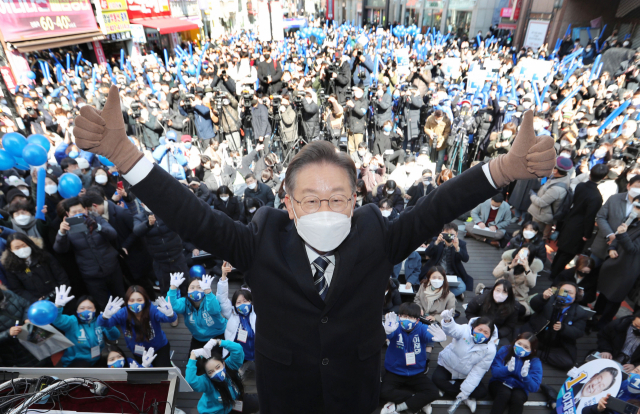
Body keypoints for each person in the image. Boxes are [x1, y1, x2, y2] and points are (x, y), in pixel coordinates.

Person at [73, 87, 555, 413]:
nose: (325, 208)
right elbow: (191, 215)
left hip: (358, 390)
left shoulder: (375, 233)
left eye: (337, 198)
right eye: (311, 199)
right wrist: (127, 158)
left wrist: (503, 169)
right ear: (288, 203)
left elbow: (436, 207)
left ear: (355, 200)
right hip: (287, 393)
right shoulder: (260, 236)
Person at [53, 196, 124, 310]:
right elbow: (60, 249)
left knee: (120, 298)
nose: (78, 214)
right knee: (102, 305)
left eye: (80, 211)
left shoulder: (96, 218)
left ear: (86, 209)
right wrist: (61, 233)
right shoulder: (66, 227)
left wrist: (97, 227)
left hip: (112, 267)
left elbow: (113, 234)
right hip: (91, 274)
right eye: (74, 212)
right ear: (68, 213)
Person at [380, 303, 444, 414]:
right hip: (395, 370)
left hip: (416, 371)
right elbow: (389, 335)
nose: (407, 320)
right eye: (404, 316)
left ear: (418, 320)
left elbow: (429, 335)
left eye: (411, 317)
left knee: (433, 392)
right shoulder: (394, 326)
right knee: (383, 392)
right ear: (399, 316)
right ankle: (419, 400)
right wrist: (387, 332)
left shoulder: (423, 328)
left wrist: (438, 337)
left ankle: (398, 407)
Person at [433, 311, 498, 413]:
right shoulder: (464, 330)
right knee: (436, 378)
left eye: (486, 332)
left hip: (465, 374)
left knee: (481, 392)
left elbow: (478, 371)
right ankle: (465, 397)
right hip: (447, 366)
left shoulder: (490, 349)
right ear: (474, 327)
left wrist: (465, 391)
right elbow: (452, 330)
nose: (481, 334)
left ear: (490, 335)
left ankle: (455, 391)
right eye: (479, 329)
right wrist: (448, 321)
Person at [97, 285, 176, 367]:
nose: (135, 303)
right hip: (138, 351)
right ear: (127, 301)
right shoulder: (123, 313)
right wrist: (105, 316)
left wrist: (170, 314)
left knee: (163, 370)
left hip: (159, 347)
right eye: (131, 300)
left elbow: (168, 318)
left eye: (139, 300)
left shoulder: (152, 310)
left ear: (145, 300)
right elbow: (103, 323)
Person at [552, 164, 607, 277]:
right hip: (579, 227)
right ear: (603, 178)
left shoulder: (581, 186)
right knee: (567, 253)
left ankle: (553, 269)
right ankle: (555, 275)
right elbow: (589, 217)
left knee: (561, 249)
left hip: (570, 219)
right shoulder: (596, 197)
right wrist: (587, 234)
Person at [594, 196, 640, 330]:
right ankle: (595, 316)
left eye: (637, 207)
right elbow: (617, 236)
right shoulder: (632, 220)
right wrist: (612, 248)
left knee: (614, 299)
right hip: (614, 263)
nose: (634, 209)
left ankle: (603, 325)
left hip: (626, 269)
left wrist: (622, 234)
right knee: (603, 293)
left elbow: (633, 249)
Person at [524, 282, 590, 369]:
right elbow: (533, 305)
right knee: (519, 341)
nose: (566, 295)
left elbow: (579, 332)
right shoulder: (549, 299)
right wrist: (542, 298)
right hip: (538, 336)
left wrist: (563, 328)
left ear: (575, 296)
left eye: (570, 293)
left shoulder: (580, 312)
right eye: (563, 291)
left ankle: (534, 353)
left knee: (567, 362)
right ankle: (536, 352)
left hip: (557, 344)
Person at [52, 285, 120, 367]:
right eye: (82, 308)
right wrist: (58, 307)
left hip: (98, 358)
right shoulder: (72, 321)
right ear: (77, 310)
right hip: (76, 362)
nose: (86, 311)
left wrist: (106, 321)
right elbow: (57, 320)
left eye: (89, 308)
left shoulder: (100, 320)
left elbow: (114, 336)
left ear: (95, 309)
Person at [186, 339, 260, 413]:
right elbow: (190, 380)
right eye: (211, 372)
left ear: (223, 363)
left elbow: (238, 350)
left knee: (258, 402)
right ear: (207, 374)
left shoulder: (230, 365)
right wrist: (193, 355)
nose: (216, 372)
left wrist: (218, 342)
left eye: (218, 367)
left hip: (235, 401)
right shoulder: (207, 381)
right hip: (217, 412)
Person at [168, 272, 227, 352]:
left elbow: (215, 310)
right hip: (199, 338)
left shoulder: (210, 300)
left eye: (199, 287)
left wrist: (208, 292)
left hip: (218, 335)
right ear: (187, 290)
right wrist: (173, 288)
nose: (195, 290)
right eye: (192, 287)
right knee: (192, 362)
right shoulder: (184, 302)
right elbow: (173, 306)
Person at [3, 232, 69, 303]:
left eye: (24, 246)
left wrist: (60, 293)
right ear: (11, 249)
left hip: (61, 296)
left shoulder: (43, 256)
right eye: (17, 248)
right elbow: (18, 289)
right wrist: (35, 300)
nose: (22, 249)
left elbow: (61, 275)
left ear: (29, 244)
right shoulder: (11, 267)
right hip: (38, 303)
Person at [591, 175, 640, 267]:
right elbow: (601, 217)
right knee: (589, 268)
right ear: (628, 186)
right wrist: (610, 235)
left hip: (620, 251)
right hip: (602, 244)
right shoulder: (614, 198)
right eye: (637, 187)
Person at [489, 333, 543, 414]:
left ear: (532, 351)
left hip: (520, 388)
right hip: (499, 382)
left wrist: (526, 377)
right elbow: (494, 372)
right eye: (519, 343)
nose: (521, 348)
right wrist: (506, 370)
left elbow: (534, 387)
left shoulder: (535, 362)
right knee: (504, 394)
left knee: (517, 399)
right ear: (515, 341)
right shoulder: (505, 350)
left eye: (526, 347)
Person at [217, 263, 256, 373]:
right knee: (237, 372)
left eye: (245, 301)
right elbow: (222, 299)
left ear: (251, 302)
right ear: (234, 305)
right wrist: (224, 276)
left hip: (258, 351)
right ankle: (243, 365)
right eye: (238, 302)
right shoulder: (232, 314)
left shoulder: (257, 313)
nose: (242, 304)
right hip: (241, 354)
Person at [0, 285, 52, 367]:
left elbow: (26, 305)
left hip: (31, 334)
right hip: (14, 349)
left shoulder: (8, 294)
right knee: (30, 373)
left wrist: (27, 318)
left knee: (46, 362)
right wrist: (8, 333)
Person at [419, 223, 471, 299]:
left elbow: (466, 259)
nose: (449, 236)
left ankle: (439, 295)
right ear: (442, 233)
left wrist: (457, 248)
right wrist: (436, 242)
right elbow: (427, 253)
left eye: (451, 234)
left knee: (462, 287)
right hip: (436, 272)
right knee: (424, 285)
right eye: (446, 234)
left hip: (452, 274)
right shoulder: (436, 240)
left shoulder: (461, 244)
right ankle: (447, 294)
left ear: (456, 234)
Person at [528, 156, 574, 239]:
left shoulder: (556, 189)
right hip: (549, 213)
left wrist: (532, 195)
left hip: (542, 214)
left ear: (556, 170)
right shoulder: (565, 176)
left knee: (536, 232)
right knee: (545, 228)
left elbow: (541, 203)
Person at [492, 247, 543, 316]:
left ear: (529, 258)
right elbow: (495, 273)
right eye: (521, 252)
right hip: (503, 291)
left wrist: (526, 268)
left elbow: (531, 284)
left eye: (526, 255)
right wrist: (510, 266)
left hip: (518, 297)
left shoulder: (532, 268)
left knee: (521, 310)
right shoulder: (507, 261)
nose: (522, 256)